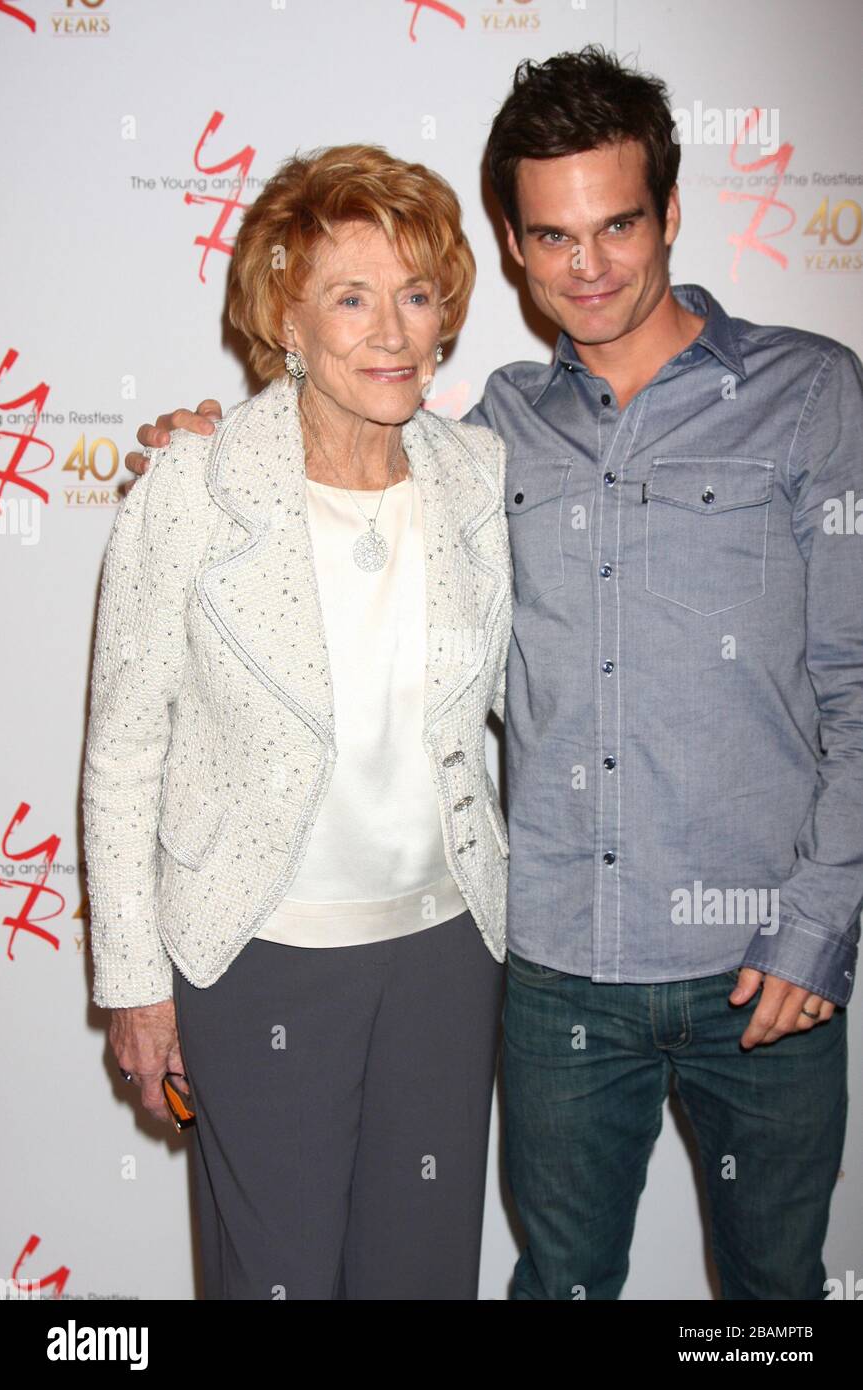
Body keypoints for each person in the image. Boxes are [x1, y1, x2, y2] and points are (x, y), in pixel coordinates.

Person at [128, 49, 863, 1301]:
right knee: (553, 1283)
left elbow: (853, 683)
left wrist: (816, 929)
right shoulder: (488, 436)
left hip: (762, 969)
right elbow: (331, 460)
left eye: (617, 223)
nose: (590, 264)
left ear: (670, 212)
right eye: (552, 236)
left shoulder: (807, 395)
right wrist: (216, 440)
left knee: (774, 1297)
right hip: (554, 968)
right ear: (516, 251)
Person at [84, 143, 513, 1301]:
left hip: (443, 957)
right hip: (261, 962)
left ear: (445, 319)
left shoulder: (480, 478)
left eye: (415, 296)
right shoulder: (192, 487)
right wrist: (133, 984)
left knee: (419, 1280)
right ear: (286, 314)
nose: (389, 330)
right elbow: (124, 751)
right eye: (351, 296)